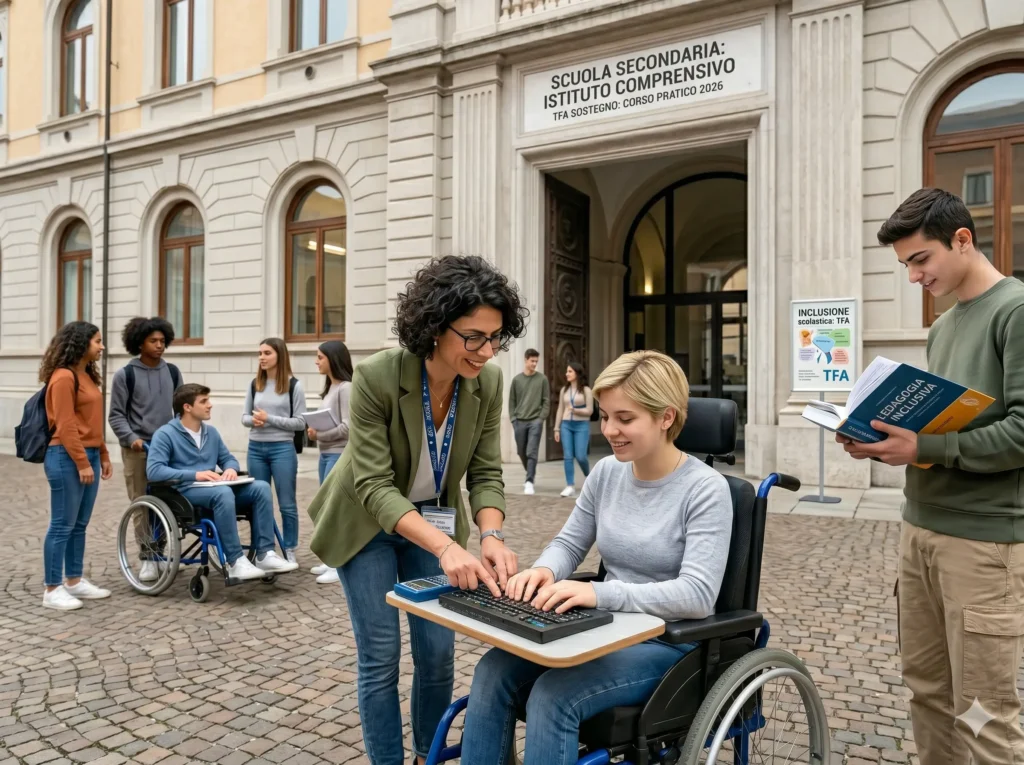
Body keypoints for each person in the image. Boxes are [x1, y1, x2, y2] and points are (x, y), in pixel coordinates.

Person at [459, 350, 732, 765]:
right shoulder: (607, 473)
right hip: (606, 627)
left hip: (671, 642)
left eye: (625, 419)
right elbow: (569, 544)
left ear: (666, 417)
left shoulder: (706, 490)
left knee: (555, 695)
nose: (609, 430)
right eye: (604, 416)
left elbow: (697, 596)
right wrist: (544, 571)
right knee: (494, 669)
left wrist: (601, 595)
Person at [308, 254, 528, 765]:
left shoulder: (487, 384)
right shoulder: (379, 376)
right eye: (473, 336)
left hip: (434, 521)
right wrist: (449, 548)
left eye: (495, 337)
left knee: (437, 654)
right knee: (380, 657)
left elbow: (486, 473)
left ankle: (431, 756)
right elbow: (372, 482)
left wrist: (491, 536)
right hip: (365, 526)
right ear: (434, 326)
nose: (486, 351)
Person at [837, 188, 1024, 763]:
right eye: (906, 266)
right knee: (927, 693)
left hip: (984, 540)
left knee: (985, 712)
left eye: (921, 260)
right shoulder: (943, 327)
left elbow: (1021, 430)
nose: (914, 276)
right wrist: (885, 441)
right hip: (919, 529)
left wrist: (928, 446)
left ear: (962, 239)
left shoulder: (1014, 310)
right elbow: (944, 426)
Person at [148, 383, 299, 581]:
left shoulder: (211, 433)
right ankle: (235, 561)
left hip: (213, 489)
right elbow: (154, 470)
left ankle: (265, 554)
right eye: (203, 401)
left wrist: (230, 469)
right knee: (223, 493)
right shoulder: (165, 434)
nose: (210, 405)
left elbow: (228, 458)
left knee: (261, 488)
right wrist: (195, 475)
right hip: (184, 492)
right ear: (187, 407)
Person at [40, 321, 114, 610]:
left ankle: (73, 580)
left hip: (90, 454)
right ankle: (52, 588)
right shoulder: (62, 377)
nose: (102, 346)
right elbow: (66, 425)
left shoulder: (87, 376)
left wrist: (103, 454)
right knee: (62, 524)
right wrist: (82, 462)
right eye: (97, 341)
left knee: (79, 524)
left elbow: (91, 423)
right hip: (66, 456)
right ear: (81, 343)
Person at [107, 316, 182, 583]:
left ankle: (161, 553)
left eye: (163, 341)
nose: (160, 346)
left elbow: (181, 410)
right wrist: (131, 438)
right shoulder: (125, 375)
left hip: (167, 450)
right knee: (143, 505)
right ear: (140, 342)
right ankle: (148, 558)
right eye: (154, 341)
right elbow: (116, 415)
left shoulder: (172, 372)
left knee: (168, 503)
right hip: (137, 451)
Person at [242, 338, 306, 564]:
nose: (262, 357)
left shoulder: (293, 385)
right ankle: (263, 549)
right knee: (259, 501)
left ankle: (289, 548)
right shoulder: (254, 384)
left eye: (267, 353)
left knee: (287, 503)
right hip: (255, 449)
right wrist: (254, 421)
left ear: (279, 355)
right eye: (259, 353)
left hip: (282, 449)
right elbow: (244, 418)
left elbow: (300, 422)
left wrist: (269, 419)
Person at [308, 339, 354, 585]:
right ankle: (331, 559)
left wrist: (319, 434)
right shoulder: (330, 388)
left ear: (333, 359)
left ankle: (339, 564)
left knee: (335, 510)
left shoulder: (346, 388)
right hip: (325, 454)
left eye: (320, 357)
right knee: (326, 508)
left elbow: (349, 428)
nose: (316, 361)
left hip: (338, 454)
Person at [509, 348, 549, 496]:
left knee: (531, 451)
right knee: (521, 451)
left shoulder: (542, 379)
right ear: (525, 360)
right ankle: (530, 473)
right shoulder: (517, 380)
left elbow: (546, 401)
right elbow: (512, 401)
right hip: (519, 421)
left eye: (536, 362)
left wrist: (540, 419)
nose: (534, 364)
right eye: (532, 361)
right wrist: (513, 419)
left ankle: (529, 481)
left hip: (535, 421)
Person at [554, 361, 593, 498]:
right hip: (566, 425)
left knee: (581, 456)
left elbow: (590, 410)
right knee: (568, 456)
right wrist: (556, 428)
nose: (567, 374)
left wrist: (576, 410)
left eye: (570, 371)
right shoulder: (564, 390)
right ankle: (570, 485)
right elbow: (560, 409)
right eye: (567, 371)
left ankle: (590, 478)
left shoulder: (587, 390)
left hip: (581, 425)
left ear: (577, 373)